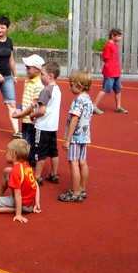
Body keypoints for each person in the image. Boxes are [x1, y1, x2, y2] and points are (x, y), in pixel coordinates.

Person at [0, 138, 41, 224]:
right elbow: (36, 184)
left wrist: (18, 214)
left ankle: (18, 209)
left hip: (21, 200)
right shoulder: (27, 166)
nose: (6, 154)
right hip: (28, 199)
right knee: (7, 170)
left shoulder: (15, 171)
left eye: (7, 152)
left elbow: (18, 194)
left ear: (13, 153)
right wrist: (36, 202)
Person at [58, 70, 93, 202]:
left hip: (75, 136)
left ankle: (76, 192)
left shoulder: (78, 100)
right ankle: (82, 188)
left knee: (73, 162)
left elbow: (74, 119)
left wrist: (67, 139)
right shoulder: (88, 99)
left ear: (79, 85)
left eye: (71, 85)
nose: (70, 87)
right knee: (82, 161)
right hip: (85, 135)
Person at [28, 61, 61, 186]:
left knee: (39, 153)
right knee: (53, 152)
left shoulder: (45, 91)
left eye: (42, 74)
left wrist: (32, 115)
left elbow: (42, 111)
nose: (40, 77)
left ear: (50, 76)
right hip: (52, 126)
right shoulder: (57, 89)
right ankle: (54, 173)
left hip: (42, 126)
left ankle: (37, 176)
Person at [11, 54, 44, 168]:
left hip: (31, 120)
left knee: (30, 145)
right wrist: (19, 109)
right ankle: (26, 166)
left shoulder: (39, 85)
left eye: (29, 68)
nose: (26, 70)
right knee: (25, 143)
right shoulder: (27, 81)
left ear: (38, 70)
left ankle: (31, 167)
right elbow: (26, 101)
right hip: (25, 119)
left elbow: (33, 105)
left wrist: (21, 114)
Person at [92, 27, 127, 114]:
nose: (120, 38)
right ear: (112, 36)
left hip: (116, 72)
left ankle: (118, 107)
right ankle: (94, 106)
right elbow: (104, 58)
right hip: (109, 72)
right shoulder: (108, 46)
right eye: (118, 36)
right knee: (105, 89)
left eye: (120, 36)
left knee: (118, 89)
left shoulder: (115, 45)